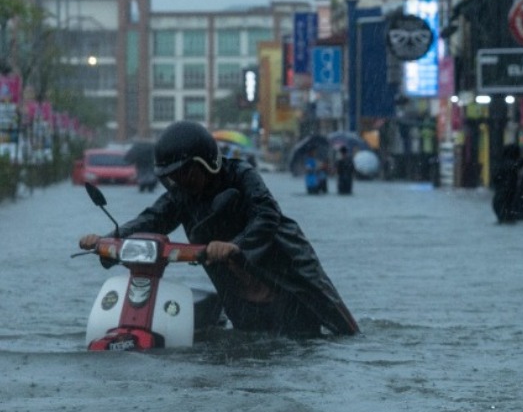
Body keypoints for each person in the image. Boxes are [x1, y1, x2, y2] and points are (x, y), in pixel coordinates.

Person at [78, 120, 359, 337]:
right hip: (236, 284)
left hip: (280, 267)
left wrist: (236, 245)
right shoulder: (181, 196)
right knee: (247, 339)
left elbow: (266, 215)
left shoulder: (241, 175)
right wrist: (109, 240)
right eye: (172, 178)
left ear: (206, 163)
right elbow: (152, 219)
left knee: (336, 330)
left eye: (186, 173)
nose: (180, 182)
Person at [491, 143, 522, 223]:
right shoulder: (508, 164)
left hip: (501, 200)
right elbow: (517, 165)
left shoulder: (500, 164)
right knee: (508, 221)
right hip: (504, 200)